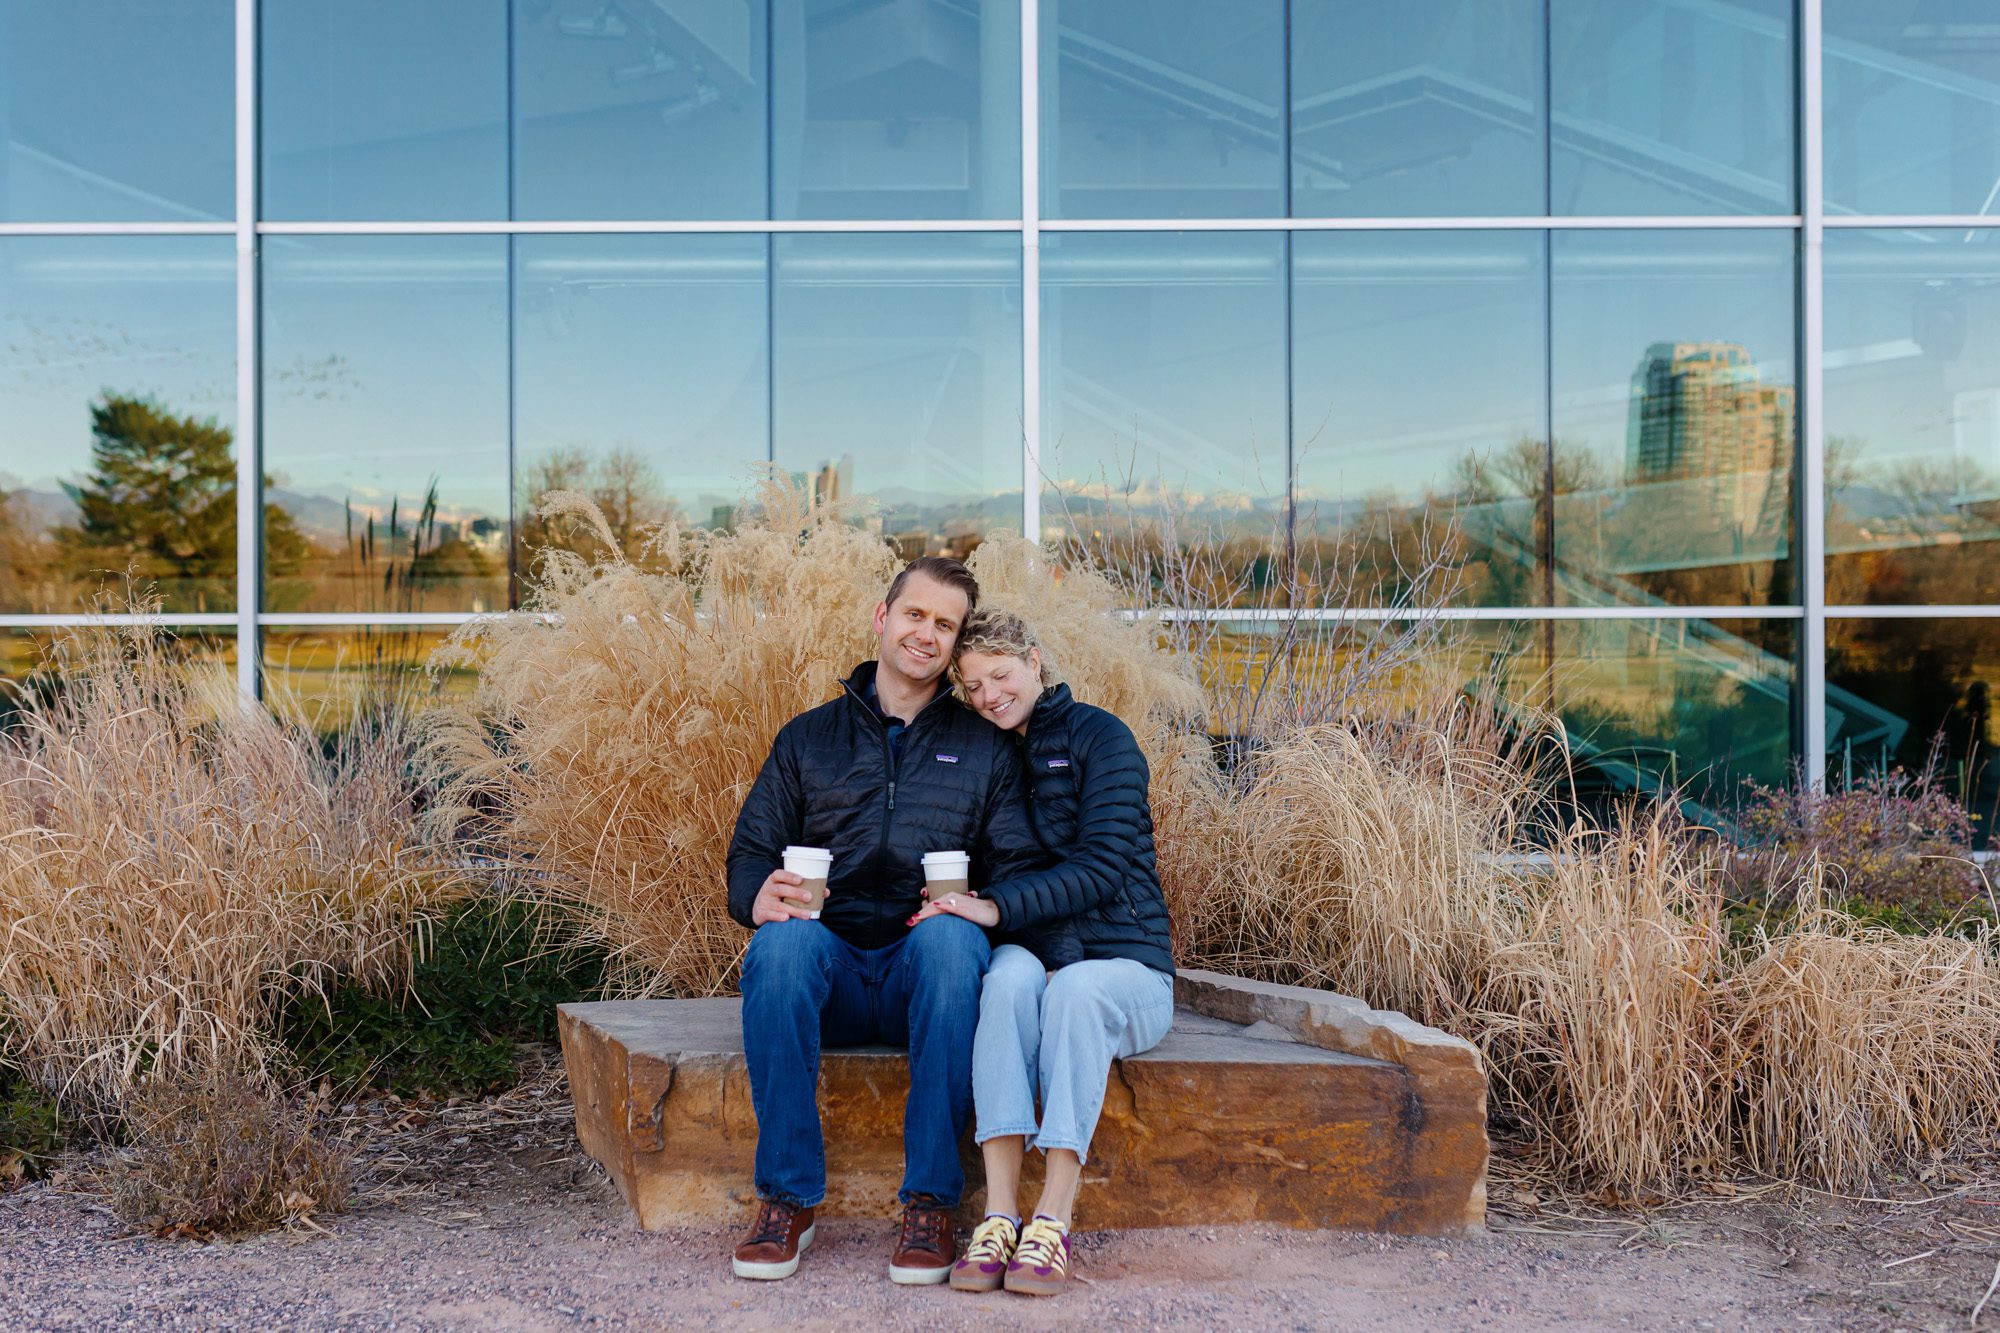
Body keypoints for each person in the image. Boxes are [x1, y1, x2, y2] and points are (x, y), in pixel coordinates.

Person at [723, 556, 1044, 1285]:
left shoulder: (987, 749)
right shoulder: (808, 738)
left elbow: (1020, 866)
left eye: (945, 624)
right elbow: (750, 849)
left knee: (953, 938)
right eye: (915, 614)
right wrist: (756, 895)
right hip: (827, 972)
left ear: (957, 643)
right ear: (882, 616)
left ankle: (929, 1203)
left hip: (925, 981)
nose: (925, 633)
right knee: (780, 947)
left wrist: (971, 904)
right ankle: (786, 1200)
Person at [913, 608, 1176, 1298]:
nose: (988, 694)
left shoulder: (1102, 738)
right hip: (1033, 954)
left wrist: (993, 906)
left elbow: (1103, 866)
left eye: (999, 675)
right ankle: (999, 1214)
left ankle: (1052, 1216)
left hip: (1127, 967)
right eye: (972, 685)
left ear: (1033, 661)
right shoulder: (985, 751)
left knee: (1075, 990)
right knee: (1002, 984)